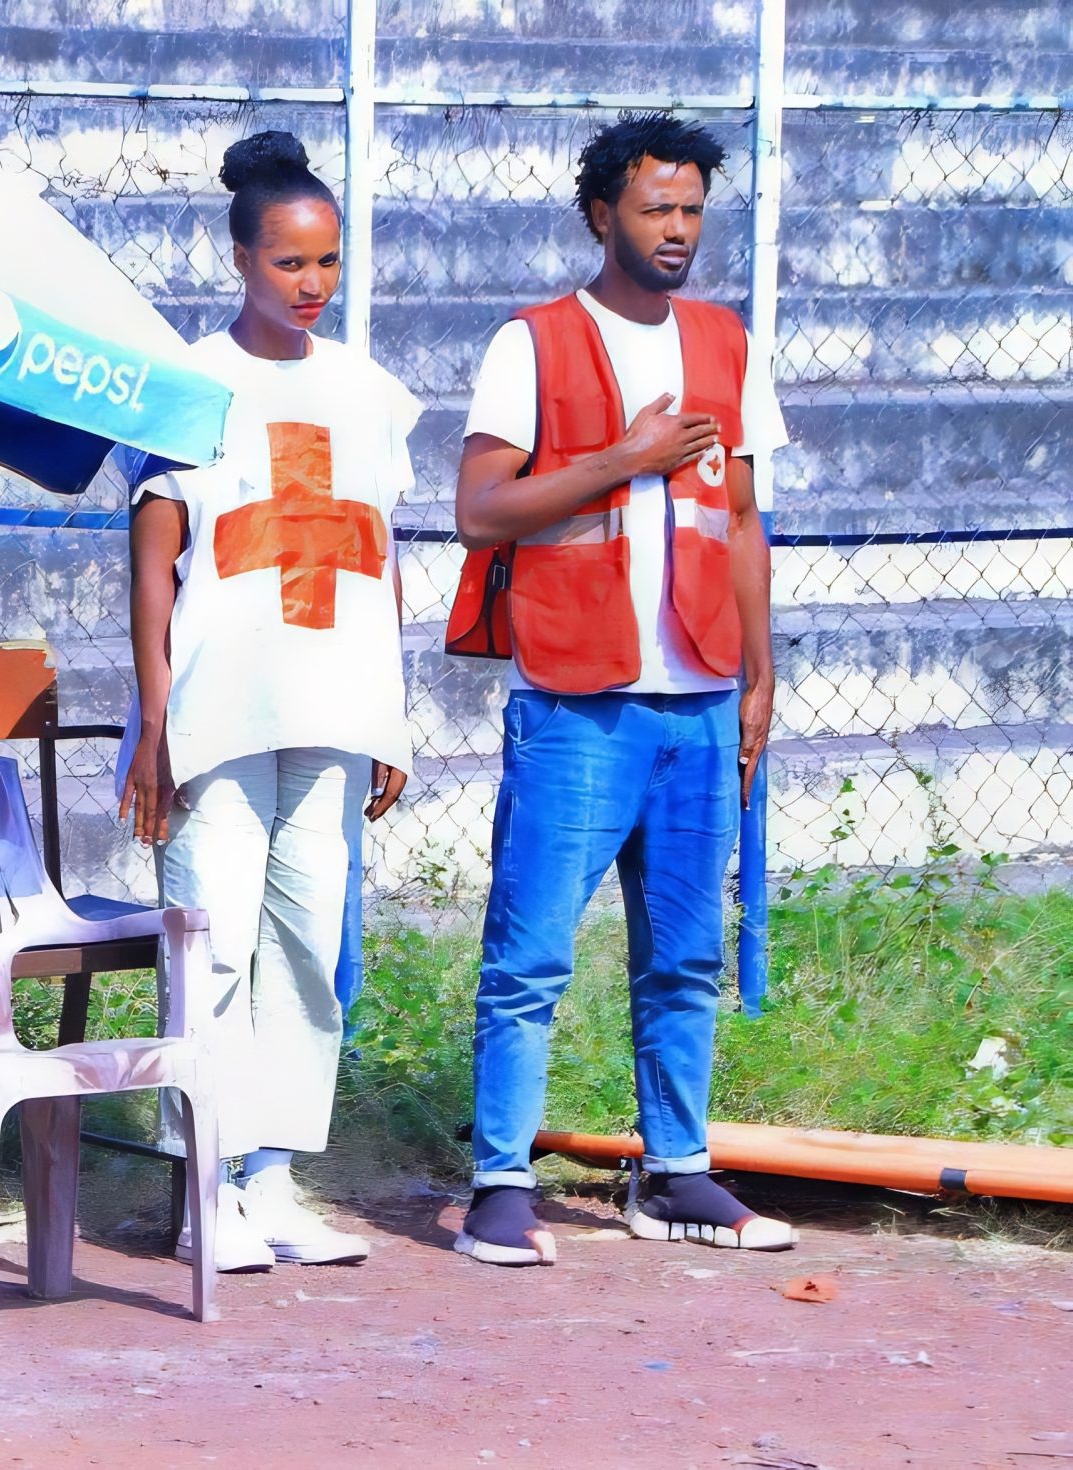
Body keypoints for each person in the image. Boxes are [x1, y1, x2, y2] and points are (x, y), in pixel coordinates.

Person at [445, 114, 794, 1266]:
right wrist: (619, 460)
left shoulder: (725, 342)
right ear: (603, 215)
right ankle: (500, 1179)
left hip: (699, 689)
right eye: (657, 210)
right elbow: (480, 510)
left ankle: (675, 1171)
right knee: (530, 951)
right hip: (577, 694)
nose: (679, 230)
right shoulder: (533, 343)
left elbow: (738, 518)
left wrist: (759, 672)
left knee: (686, 951)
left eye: (692, 210)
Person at [120, 131, 416, 1270]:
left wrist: (387, 712)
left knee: (304, 944)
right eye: (290, 262)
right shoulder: (189, 387)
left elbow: (380, 555)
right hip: (217, 710)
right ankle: (204, 1188)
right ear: (241, 255)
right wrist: (154, 723)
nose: (312, 284)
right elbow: (155, 561)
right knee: (215, 944)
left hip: (336, 707)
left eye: (328, 263)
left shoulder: (367, 392)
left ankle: (276, 1177)